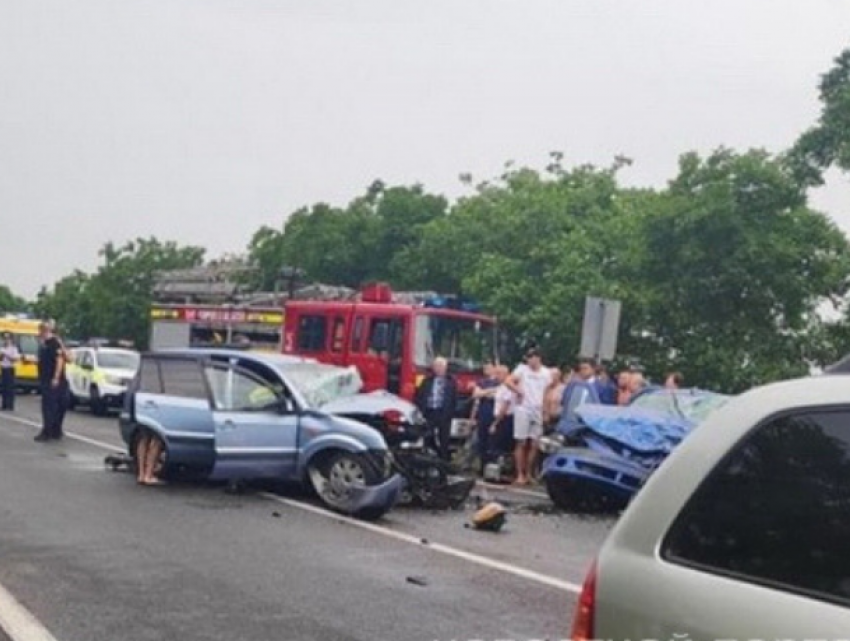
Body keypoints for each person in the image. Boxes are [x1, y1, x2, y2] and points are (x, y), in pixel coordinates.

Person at [505, 348, 550, 485]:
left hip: (537, 408)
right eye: (529, 358)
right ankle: (520, 474)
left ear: (539, 358)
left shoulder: (546, 373)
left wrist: (545, 411)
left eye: (533, 357)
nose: (531, 360)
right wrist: (518, 391)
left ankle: (528, 472)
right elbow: (508, 381)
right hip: (523, 408)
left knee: (535, 443)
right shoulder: (522, 369)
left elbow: (546, 393)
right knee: (521, 442)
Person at [414, 357, 458, 462]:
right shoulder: (427, 380)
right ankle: (427, 458)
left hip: (444, 413)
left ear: (445, 368)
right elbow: (419, 395)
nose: (438, 369)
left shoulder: (451, 381)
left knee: (444, 438)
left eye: (441, 366)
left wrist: (451, 412)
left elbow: (454, 398)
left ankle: (443, 460)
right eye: (436, 366)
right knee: (427, 435)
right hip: (429, 412)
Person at [34, 321, 69, 442]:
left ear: (44, 331)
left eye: (40, 332)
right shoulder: (47, 344)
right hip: (49, 379)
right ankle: (55, 430)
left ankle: (48, 432)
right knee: (58, 406)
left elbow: (60, 361)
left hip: (52, 380)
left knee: (49, 407)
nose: (39, 334)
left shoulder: (53, 343)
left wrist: (55, 377)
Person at [469, 361, 499, 474]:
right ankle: (482, 466)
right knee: (481, 441)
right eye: (485, 367)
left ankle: (490, 467)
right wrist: (489, 392)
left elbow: (497, 394)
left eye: (488, 367)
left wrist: (484, 392)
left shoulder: (499, 381)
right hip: (482, 414)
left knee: (492, 442)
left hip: (494, 415)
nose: (486, 369)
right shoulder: (481, 382)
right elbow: (475, 395)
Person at [0, 333, 20, 411]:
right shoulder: (2, 348)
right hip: (4, 368)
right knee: (4, 387)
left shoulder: (14, 349)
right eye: (4, 338)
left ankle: (10, 405)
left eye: (7, 338)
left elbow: (15, 359)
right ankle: (4, 404)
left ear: (11, 340)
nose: (6, 340)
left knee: (10, 388)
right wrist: (1, 356)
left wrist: (6, 355)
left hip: (10, 369)